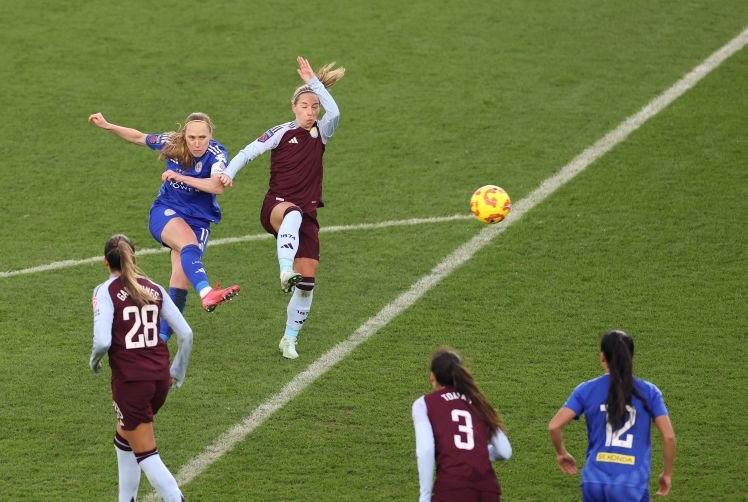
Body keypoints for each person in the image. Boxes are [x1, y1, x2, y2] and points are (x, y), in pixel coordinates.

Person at [218, 56, 344, 359]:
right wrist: (228, 173)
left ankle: (289, 339)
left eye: (315, 107)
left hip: (308, 216)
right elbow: (249, 151)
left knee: (308, 285)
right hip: (276, 206)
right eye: (305, 106)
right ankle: (284, 269)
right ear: (293, 107)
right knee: (293, 214)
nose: (311, 112)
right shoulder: (281, 132)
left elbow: (336, 110)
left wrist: (313, 82)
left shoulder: (322, 132)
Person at [88, 111, 240, 343]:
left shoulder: (217, 154)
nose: (197, 143)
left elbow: (216, 186)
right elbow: (138, 137)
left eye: (202, 137)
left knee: (180, 283)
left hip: (199, 220)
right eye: (192, 138)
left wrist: (181, 178)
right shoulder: (172, 143)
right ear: (184, 135)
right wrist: (108, 125)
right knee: (189, 245)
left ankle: (157, 342)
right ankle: (207, 293)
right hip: (167, 212)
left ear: (211, 135)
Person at [89, 234, 193, 502]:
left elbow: (102, 341)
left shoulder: (106, 291)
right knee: (125, 435)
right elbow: (185, 334)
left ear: (105, 262)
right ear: (133, 258)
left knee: (147, 454)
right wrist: (177, 372)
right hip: (159, 379)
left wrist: (94, 360)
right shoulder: (155, 288)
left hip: (132, 382)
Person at [548, 329, 677, 501]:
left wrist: (561, 453)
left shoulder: (586, 390)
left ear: (602, 357)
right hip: (630, 482)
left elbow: (554, 426)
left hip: (593, 480)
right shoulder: (650, 392)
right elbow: (669, 437)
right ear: (631, 358)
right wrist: (667, 474)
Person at [412, 348, 512, 502]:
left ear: (432, 377)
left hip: (453, 488)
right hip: (488, 490)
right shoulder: (479, 402)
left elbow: (426, 450)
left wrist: (424, 496)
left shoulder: (423, 404)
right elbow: (505, 451)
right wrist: (475, 452)